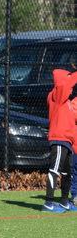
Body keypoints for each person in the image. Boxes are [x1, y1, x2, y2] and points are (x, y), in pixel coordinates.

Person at [42, 68, 77, 212]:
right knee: (54, 171)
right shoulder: (56, 96)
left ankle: (64, 201)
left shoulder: (67, 102)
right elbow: (67, 83)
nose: (71, 87)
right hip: (58, 140)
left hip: (67, 142)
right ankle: (48, 203)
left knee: (67, 173)